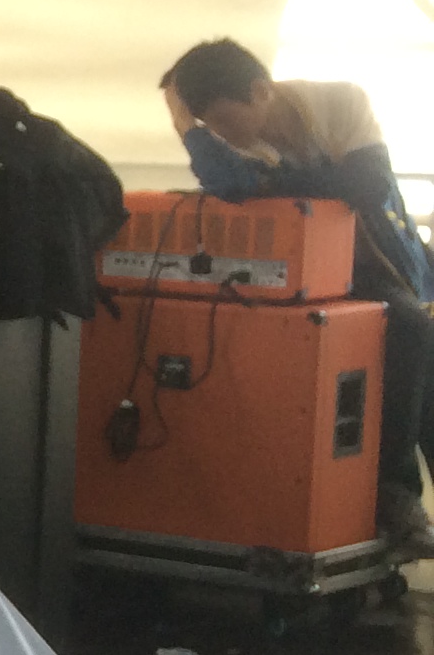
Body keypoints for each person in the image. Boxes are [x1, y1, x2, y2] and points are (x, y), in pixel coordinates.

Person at [160, 37, 434, 553]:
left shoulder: (341, 103)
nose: (221, 135)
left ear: (261, 91)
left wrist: (271, 180)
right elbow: (228, 182)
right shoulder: (226, 142)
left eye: (225, 121)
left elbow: (366, 185)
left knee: (413, 333)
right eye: (209, 127)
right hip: (294, 270)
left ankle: (396, 496)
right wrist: (185, 127)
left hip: (371, 263)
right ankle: (387, 503)